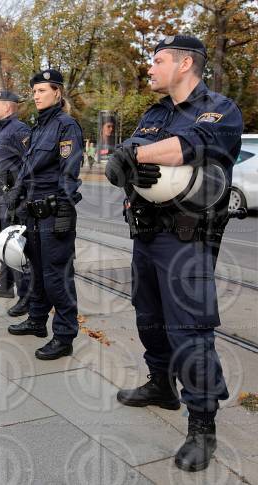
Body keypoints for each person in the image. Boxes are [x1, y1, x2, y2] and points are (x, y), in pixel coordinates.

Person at [104, 35, 243, 473]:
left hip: (186, 241)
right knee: (148, 317)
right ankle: (160, 384)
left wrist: (132, 153)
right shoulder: (154, 113)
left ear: (185, 64)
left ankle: (202, 424)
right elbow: (134, 169)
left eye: (158, 60)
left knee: (190, 332)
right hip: (146, 236)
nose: (150, 67)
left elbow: (191, 146)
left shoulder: (218, 108)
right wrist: (126, 168)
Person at [6, 69, 82, 361]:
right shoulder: (39, 127)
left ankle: (64, 337)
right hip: (32, 214)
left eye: (42, 90)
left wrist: (64, 209)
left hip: (54, 214)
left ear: (57, 93)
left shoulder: (66, 126)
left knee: (57, 277)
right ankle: (37, 321)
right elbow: (29, 171)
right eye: (34, 91)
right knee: (36, 271)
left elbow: (69, 172)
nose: (36, 96)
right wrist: (15, 196)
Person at [0, 91, 32, 317]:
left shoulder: (19, 130)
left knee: (16, 247)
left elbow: (29, 164)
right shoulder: (2, 129)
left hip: (13, 198)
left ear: (8, 108)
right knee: (4, 243)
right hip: (1, 197)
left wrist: (18, 195)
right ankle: (5, 286)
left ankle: (26, 297)